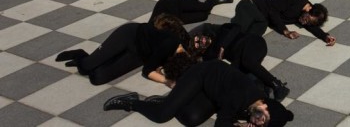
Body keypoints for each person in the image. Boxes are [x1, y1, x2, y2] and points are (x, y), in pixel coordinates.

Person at [103, 59, 294, 127]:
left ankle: (165, 102)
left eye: (262, 126)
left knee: (191, 119)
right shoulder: (242, 97)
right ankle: (132, 102)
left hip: (215, 91)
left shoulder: (254, 106)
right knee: (162, 116)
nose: (258, 123)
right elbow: (221, 124)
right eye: (263, 119)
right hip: (203, 74)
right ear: (264, 105)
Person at [55, 14, 190, 86]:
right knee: (85, 67)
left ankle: (103, 59)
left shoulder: (183, 51)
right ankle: (80, 55)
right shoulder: (168, 45)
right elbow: (147, 70)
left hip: (140, 53)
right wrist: (167, 81)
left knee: (97, 78)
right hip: (130, 35)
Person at [195, 22, 291, 101]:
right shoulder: (209, 54)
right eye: (198, 44)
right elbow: (202, 64)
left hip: (251, 42)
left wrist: (223, 47)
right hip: (240, 57)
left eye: (199, 38)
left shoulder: (221, 30)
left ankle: (278, 86)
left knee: (247, 61)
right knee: (233, 76)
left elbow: (237, 27)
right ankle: (265, 87)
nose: (201, 41)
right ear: (200, 49)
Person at [231, 0, 336, 46]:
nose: (304, 23)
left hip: (260, 18)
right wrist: (286, 31)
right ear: (309, 9)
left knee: (251, 37)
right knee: (236, 30)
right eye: (306, 20)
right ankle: (220, 44)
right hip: (251, 5)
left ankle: (231, 45)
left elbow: (312, 27)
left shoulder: (305, 16)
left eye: (307, 23)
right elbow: (273, 12)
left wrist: (325, 37)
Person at [149, 0, 234, 26]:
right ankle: (189, 0)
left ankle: (210, 1)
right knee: (203, 16)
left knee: (205, 7)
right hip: (175, 18)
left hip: (170, 3)